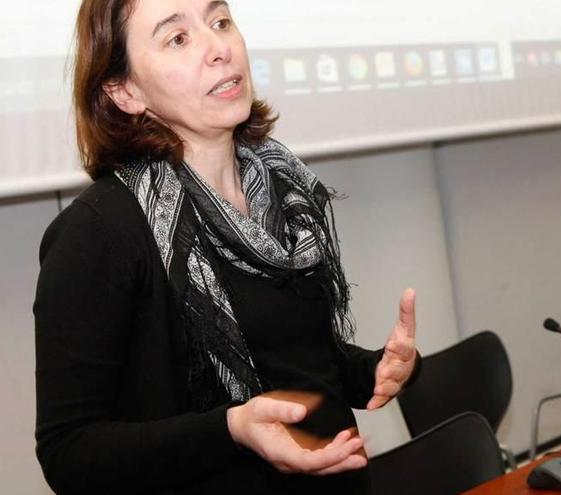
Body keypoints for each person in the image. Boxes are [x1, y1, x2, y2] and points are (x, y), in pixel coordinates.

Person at [33, 0, 420, 493]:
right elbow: (70, 453)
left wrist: (377, 370)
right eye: (178, 38)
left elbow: (294, 360)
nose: (219, 48)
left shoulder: (282, 189)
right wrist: (230, 429)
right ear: (124, 91)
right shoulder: (98, 232)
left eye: (220, 22)